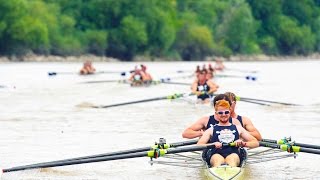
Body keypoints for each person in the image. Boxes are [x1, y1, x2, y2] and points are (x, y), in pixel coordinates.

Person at [197, 99, 259, 167]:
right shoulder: (211, 130)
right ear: (216, 114)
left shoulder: (238, 128)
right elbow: (199, 145)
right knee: (217, 159)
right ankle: (219, 170)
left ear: (229, 112)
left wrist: (243, 144)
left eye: (226, 112)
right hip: (216, 155)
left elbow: (255, 143)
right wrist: (213, 144)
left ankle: (230, 170)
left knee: (232, 159)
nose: (224, 115)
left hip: (234, 155)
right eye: (220, 113)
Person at [182, 93, 261, 140]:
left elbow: (258, 137)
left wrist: (242, 133)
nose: (223, 107)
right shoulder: (205, 120)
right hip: (211, 150)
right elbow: (185, 133)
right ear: (215, 106)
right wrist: (202, 134)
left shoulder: (236, 122)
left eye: (225, 104)